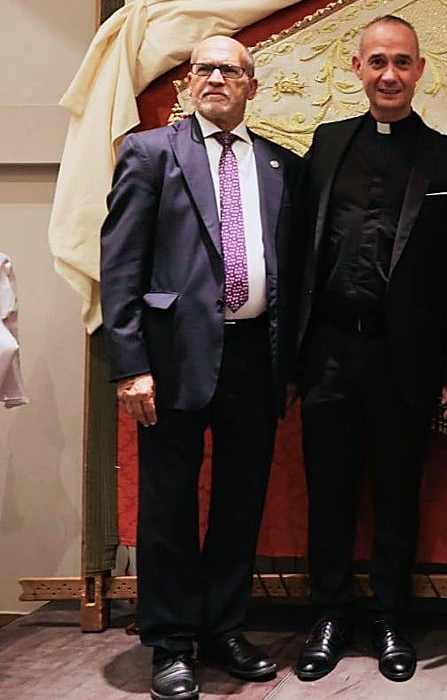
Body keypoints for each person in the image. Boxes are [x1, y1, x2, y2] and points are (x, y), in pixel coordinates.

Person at [101, 35, 299, 700]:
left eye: (231, 70)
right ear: (188, 82)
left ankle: (223, 628)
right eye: (205, 68)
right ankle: (170, 641)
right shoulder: (150, 152)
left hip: (253, 357)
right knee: (167, 508)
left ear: (252, 86)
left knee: (241, 504)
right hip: (171, 357)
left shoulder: (277, 164)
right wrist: (130, 365)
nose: (217, 77)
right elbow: (121, 264)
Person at [290, 15, 447, 683]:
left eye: (402, 62)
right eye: (377, 62)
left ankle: (393, 618)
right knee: (330, 493)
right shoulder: (326, 144)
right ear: (357, 69)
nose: (389, 75)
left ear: (420, 69)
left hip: (408, 358)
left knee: (400, 495)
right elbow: (297, 254)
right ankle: (329, 617)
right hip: (330, 353)